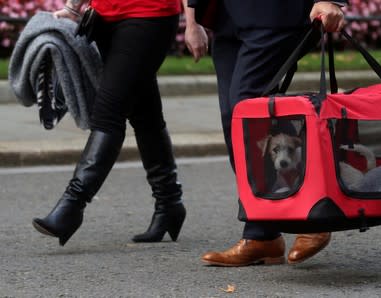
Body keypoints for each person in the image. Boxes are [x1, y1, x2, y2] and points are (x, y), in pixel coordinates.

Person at [183, 0, 347, 266]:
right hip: (226, 15)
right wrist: (191, 19)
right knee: (234, 119)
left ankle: (310, 216)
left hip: (275, 14)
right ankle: (263, 233)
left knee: (246, 111)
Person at [32, 0, 188, 246]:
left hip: (149, 14)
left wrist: (193, 22)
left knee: (109, 113)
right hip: (105, 17)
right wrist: (74, 6)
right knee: (145, 113)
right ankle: (169, 203)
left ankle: (72, 205)